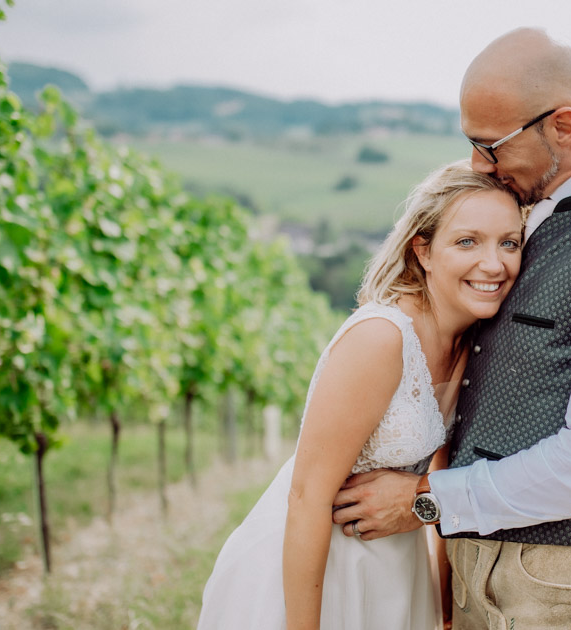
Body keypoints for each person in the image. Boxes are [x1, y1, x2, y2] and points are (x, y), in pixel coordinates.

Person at [330, 27, 571, 629]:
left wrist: (425, 501)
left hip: (552, 574)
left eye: (492, 146)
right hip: (476, 555)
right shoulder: (525, 206)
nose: (478, 165)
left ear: (562, 125)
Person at [197, 161, 524, 630]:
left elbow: (444, 474)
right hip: (319, 570)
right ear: (424, 251)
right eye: (467, 241)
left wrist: (446, 606)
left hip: (395, 568)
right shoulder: (381, 338)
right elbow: (307, 496)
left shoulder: (475, 344)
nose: (493, 263)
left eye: (508, 243)